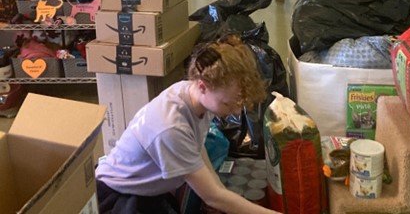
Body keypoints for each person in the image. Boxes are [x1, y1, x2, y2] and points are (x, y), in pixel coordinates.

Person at [95, 35, 281, 214]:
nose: (235, 111)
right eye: (227, 103)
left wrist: (216, 186)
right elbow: (213, 198)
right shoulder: (171, 127)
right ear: (202, 86)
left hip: (145, 190)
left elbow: (197, 146)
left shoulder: (191, 95)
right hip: (117, 195)